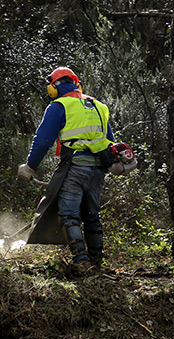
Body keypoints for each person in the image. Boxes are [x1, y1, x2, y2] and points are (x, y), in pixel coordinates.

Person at [17, 67, 116, 272]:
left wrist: (30, 167)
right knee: (92, 214)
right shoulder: (99, 106)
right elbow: (111, 142)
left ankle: (81, 260)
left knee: (69, 214)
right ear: (76, 83)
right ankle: (97, 261)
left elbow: (43, 141)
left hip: (75, 167)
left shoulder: (59, 106)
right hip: (98, 169)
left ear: (53, 88)